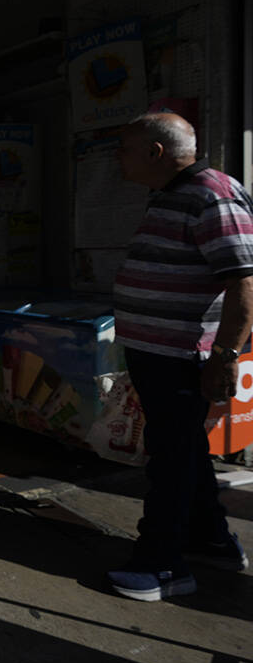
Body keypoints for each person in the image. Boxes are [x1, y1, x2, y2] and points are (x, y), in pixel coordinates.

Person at [108, 112, 253, 602]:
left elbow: (244, 283)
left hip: (184, 356)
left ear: (155, 152)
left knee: (169, 459)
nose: (118, 159)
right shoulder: (172, 194)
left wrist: (227, 356)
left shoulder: (213, 195)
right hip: (158, 353)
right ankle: (212, 541)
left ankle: (163, 565)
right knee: (185, 449)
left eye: (125, 148)